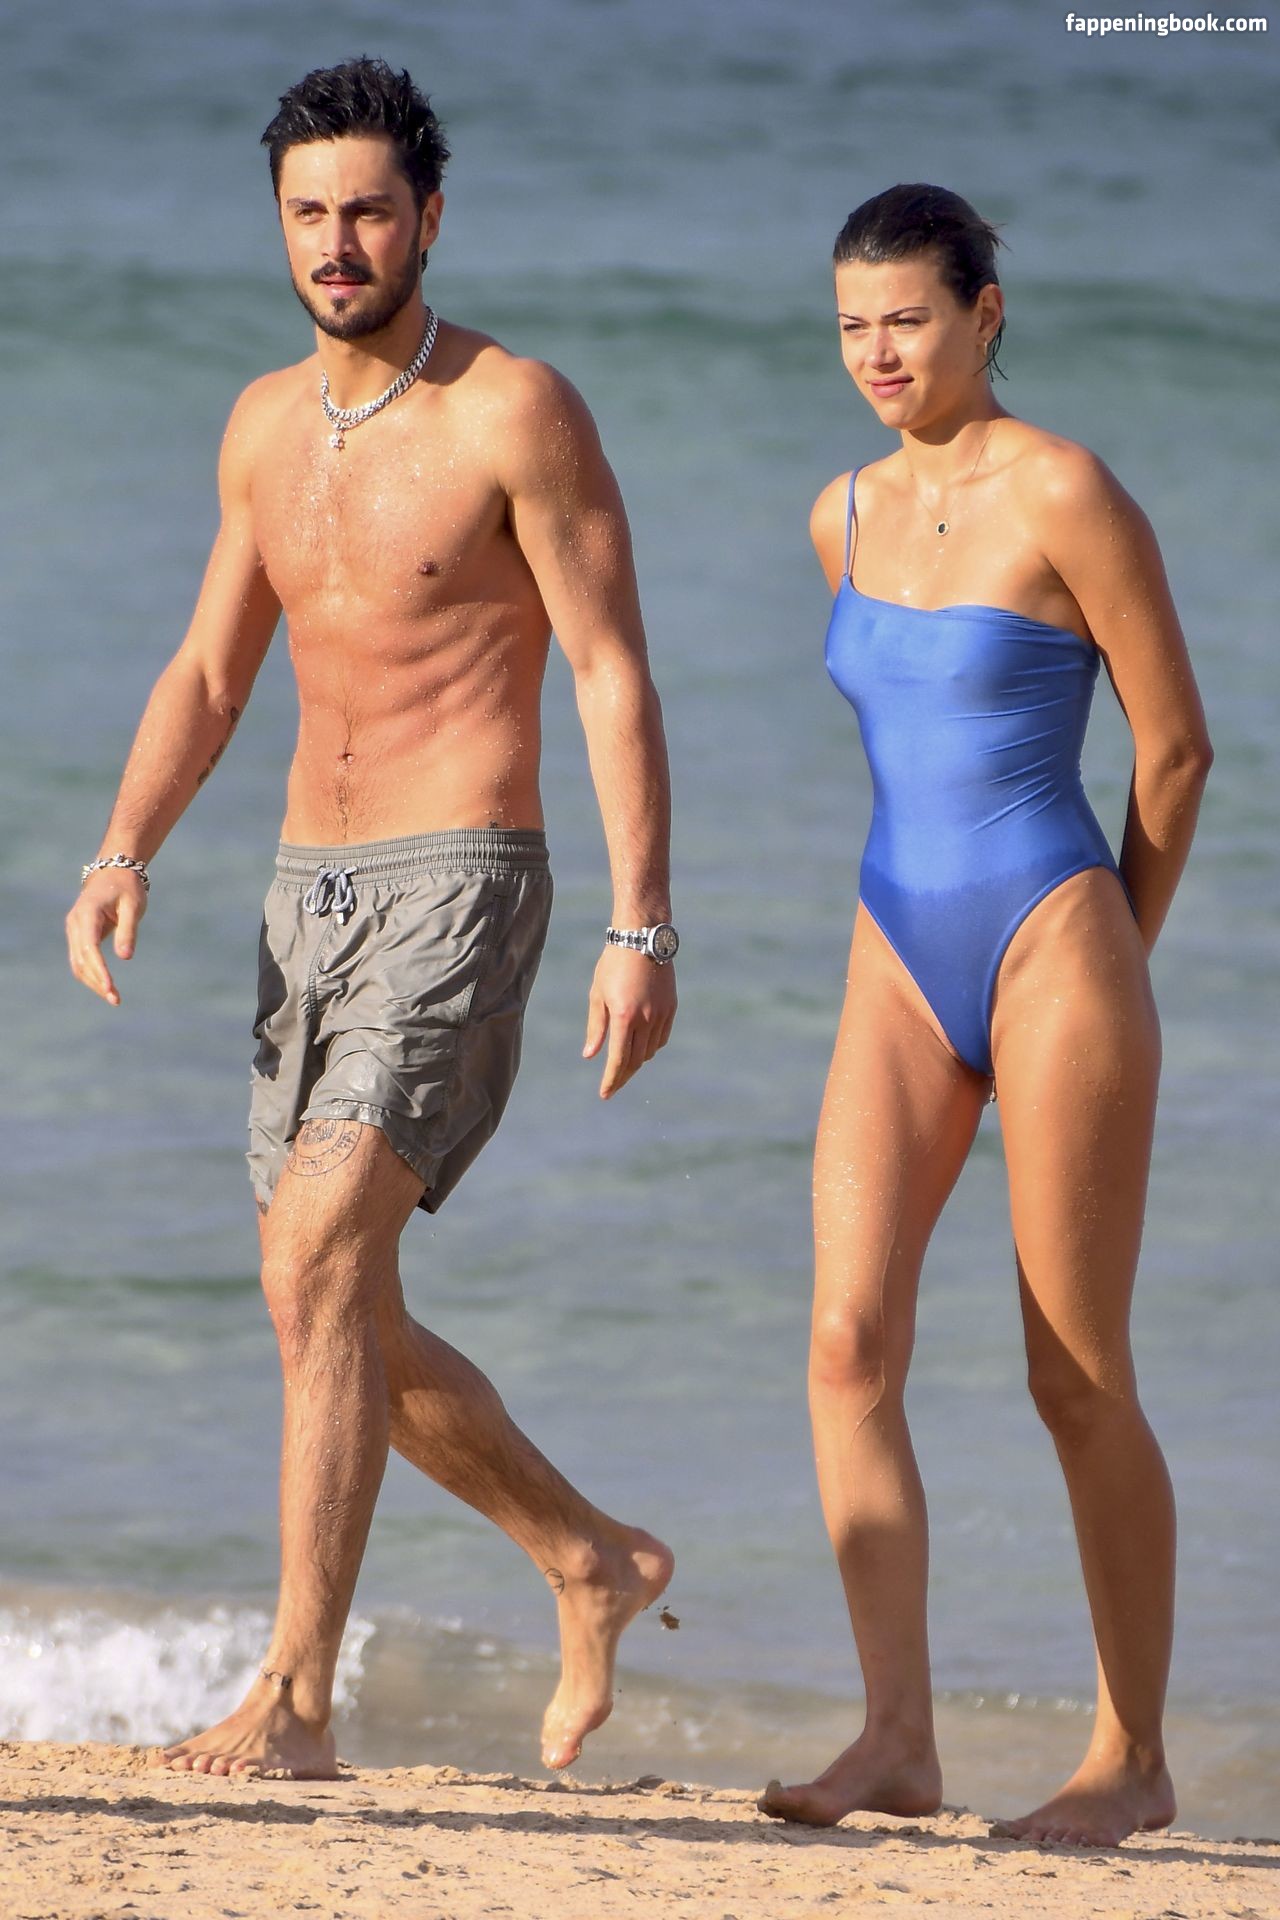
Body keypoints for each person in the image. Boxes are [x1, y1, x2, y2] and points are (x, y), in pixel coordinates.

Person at [64, 57, 678, 1782]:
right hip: (299, 898)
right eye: (310, 214)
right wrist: (123, 850)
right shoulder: (263, 426)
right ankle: (588, 1556)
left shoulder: (513, 411)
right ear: (280, 224)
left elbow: (612, 672)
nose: (339, 244)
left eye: (370, 212)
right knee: (325, 1301)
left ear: (431, 217)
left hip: (461, 875)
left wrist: (642, 925)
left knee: (319, 1256)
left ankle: (295, 1699)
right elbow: (210, 670)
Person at [758, 185, 1211, 1847]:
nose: (879, 352)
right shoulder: (842, 515)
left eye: (910, 319)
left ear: (985, 314)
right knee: (845, 1343)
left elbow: (1175, 747)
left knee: (1072, 1372)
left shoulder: (1064, 489)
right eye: (854, 324)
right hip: (894, 941)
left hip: (1052, 936)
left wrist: (1111, 960)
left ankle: (1132, 1758)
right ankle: (898, 1738)